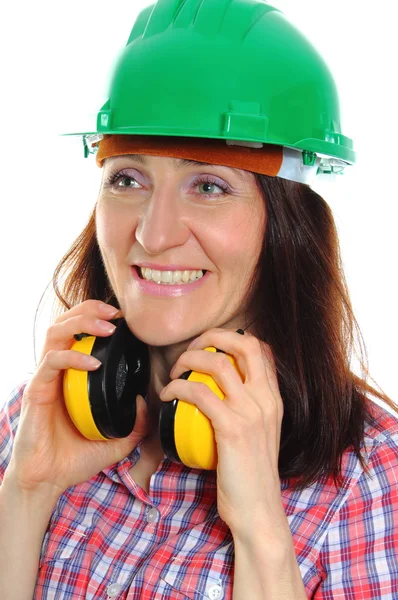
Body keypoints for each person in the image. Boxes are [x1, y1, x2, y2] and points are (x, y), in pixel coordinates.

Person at [1, 0, 397, 598]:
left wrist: (261, 526)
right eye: (127, 180)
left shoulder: (370, 480)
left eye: (209, 185)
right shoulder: (43, 410)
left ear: (287, 225)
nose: (153, 235)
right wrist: (26, 490)